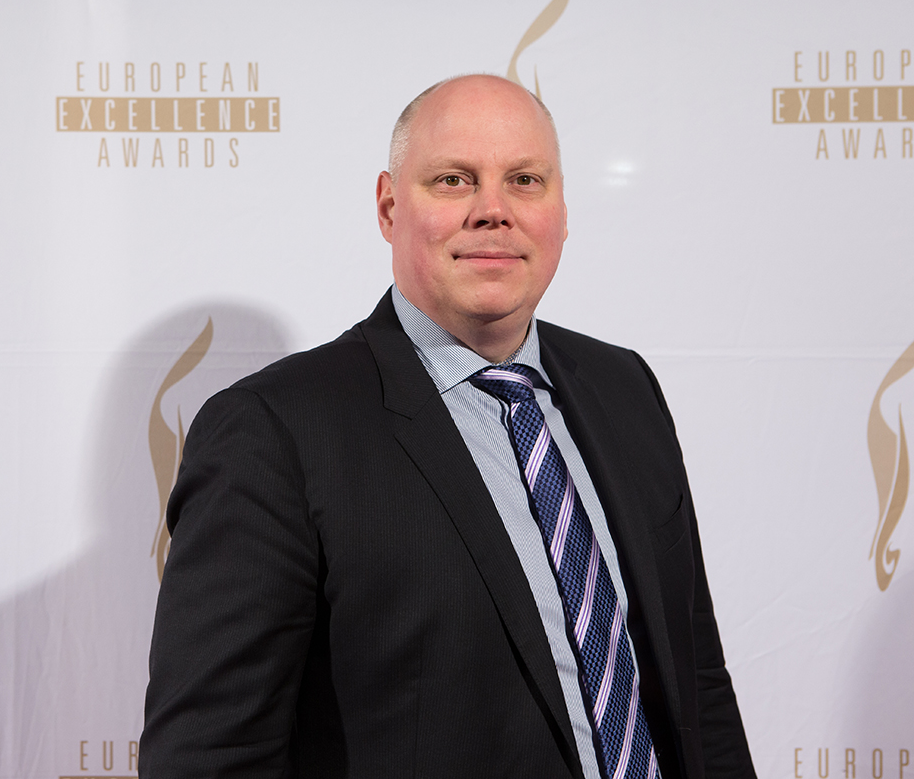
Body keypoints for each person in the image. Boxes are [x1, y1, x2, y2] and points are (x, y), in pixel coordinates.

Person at [141, 74, 756, 778]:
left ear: (561, 210)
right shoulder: (272, 434)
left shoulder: (625, 387)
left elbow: (696, 682)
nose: (494, 211)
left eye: (525, 180)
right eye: (454, 180)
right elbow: (211, 757)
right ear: (388, 207)